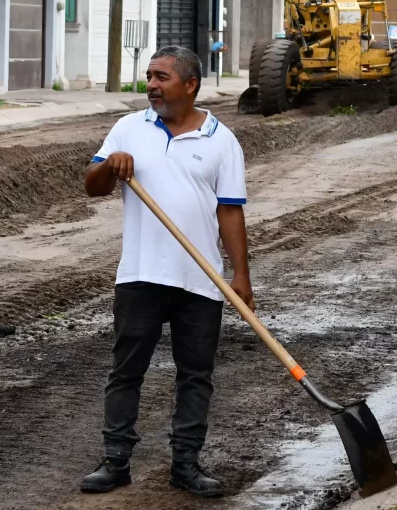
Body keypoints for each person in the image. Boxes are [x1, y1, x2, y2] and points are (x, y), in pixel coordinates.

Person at [80, 45, 254, 498]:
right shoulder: (129, 129)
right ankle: (115, 462)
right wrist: (111, 168)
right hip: (140, 274)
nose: (151, 85)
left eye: (161, 77)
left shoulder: (221, 140)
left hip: (202, 280)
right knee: (126, 370)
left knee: (195, 374)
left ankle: (186, 464)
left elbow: (231, 212)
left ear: (190, 85)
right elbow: (90, 184)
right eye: (149, 76)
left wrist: (241, 276)